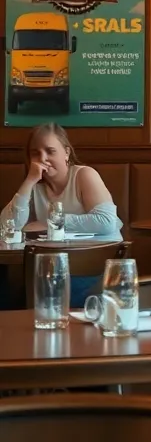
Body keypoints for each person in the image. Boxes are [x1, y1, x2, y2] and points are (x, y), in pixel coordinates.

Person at [1, 124, 122, 307]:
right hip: (56, 269)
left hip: (97, 269)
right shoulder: (35, 187)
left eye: (50, 151)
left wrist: (50, 223)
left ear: (66, 153)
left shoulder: (84, 175)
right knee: (8, 291)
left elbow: (106, 222)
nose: (43, 159)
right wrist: (29, 181)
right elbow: (7, 226)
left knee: (29, 295)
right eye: (35, 153)